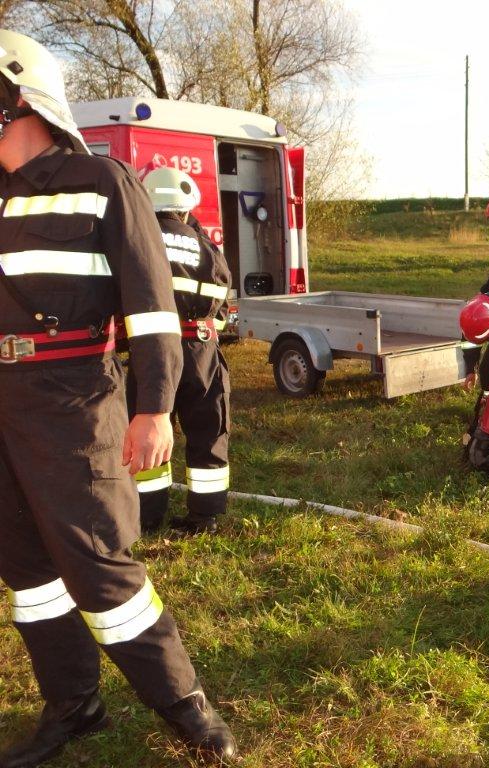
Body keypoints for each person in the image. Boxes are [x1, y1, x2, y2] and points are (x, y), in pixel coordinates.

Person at [0, 30, 237, 765]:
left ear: (19, 97)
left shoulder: (103, 181)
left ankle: (186, 708)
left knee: (97, 561)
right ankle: (74, 704)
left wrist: (155, 405)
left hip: (71, 401)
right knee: (26, 569)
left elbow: (153, 305)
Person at [129, 167, 232, 535]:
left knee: (149, 434)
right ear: (186, 208)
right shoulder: (207, 247)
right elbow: (221, 302)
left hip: (154, 353)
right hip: (202, 351)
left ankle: (147, 516)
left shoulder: (139, 240)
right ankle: (205, 517)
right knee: (208, 432)